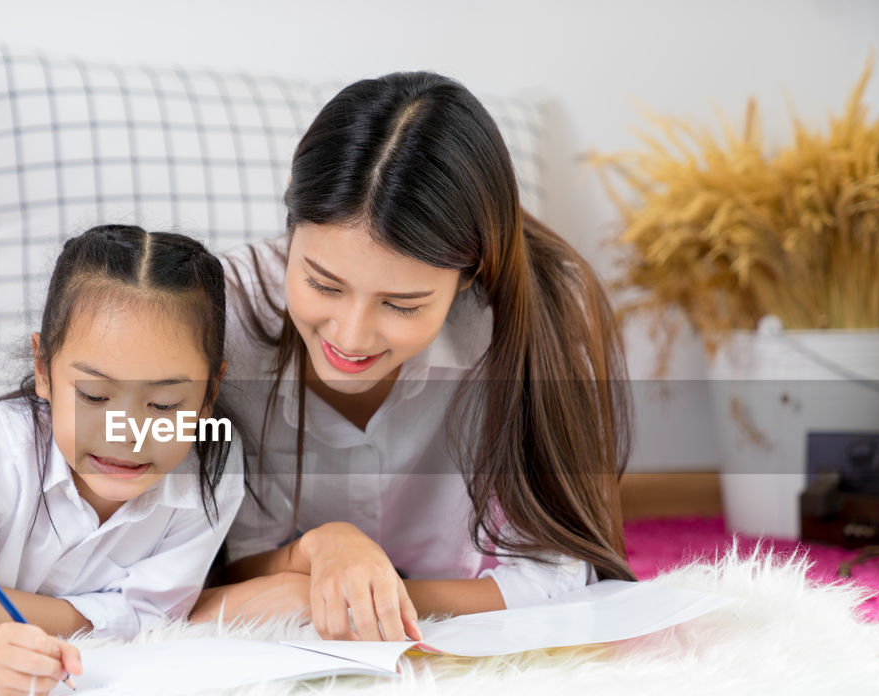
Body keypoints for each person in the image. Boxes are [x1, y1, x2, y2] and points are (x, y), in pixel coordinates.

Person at [191, 71, 635, 641]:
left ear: (471, 276)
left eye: (401, 304)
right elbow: (207, 562)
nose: (350, 337)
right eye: (323, 284)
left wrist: (356, 596)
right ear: (291, 226)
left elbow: (564, 571)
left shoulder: (545, 313)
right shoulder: (222, 314)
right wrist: (325, 549)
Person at [0, 224, 243, 696]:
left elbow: (150, 616)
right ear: (43, 369)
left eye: (163, 406)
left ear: (210, 394)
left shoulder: (215, 472)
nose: (126, 433)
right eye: (95, 396)